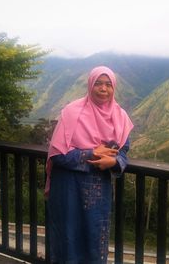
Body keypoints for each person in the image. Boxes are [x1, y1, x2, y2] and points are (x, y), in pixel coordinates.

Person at [45, 66, 133, 263]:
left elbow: (124, 152)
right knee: (66, 240)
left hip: (97, 193)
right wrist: (91, 153)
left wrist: (115, 161)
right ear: (90, 86)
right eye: (98, 84)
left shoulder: (120, 117)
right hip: (67, 189)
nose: (103, 89)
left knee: (94, 241)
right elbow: (57, 155)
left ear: (114, 88)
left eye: (108, 84)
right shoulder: (71, 113)